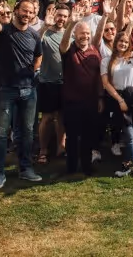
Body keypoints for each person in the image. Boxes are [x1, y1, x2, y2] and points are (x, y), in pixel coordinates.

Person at [0, 0, 45, 189]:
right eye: (24, 11)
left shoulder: (34, 36)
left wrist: (33, 72)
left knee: (27, 133)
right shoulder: (4, 31)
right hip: (7, 90)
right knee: (1, 133)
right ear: (16, 10)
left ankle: (26, 169)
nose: (27, 15)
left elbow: (39, 55)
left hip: (29, 90)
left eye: (31, 12)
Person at [58, 10, 103, 177]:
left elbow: (99, 77)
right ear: (75, 34)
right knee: (72, 136)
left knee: (88, 136)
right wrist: (71, 23)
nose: (85, 36)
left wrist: (99, 98)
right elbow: (62, 45)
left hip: (90, 101)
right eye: (82, 33)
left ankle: (86, 166)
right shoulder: (69, 49)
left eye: (87, 33)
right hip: (72, 101)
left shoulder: (94, 51)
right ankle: (70, 167)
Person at [101, 25, 133, 179]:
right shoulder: (107, 60)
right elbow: (106, 83)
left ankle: (126, 164)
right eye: (120, 41)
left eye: (126, 42)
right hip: (118, 97)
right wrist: (120, 100)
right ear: (115, 42)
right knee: (128, 132)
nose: (123, 44)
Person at [35, 3, 70, 165]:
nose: (61, 18)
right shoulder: (46, 33)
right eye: (59, 15)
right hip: (47, 81)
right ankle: (43, 149)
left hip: (65, 82)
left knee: (62, 115)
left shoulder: (70, 34)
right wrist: (44, 27)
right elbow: (34, 44)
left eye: (64, 16)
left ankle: (61, 146)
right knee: (47, 117)